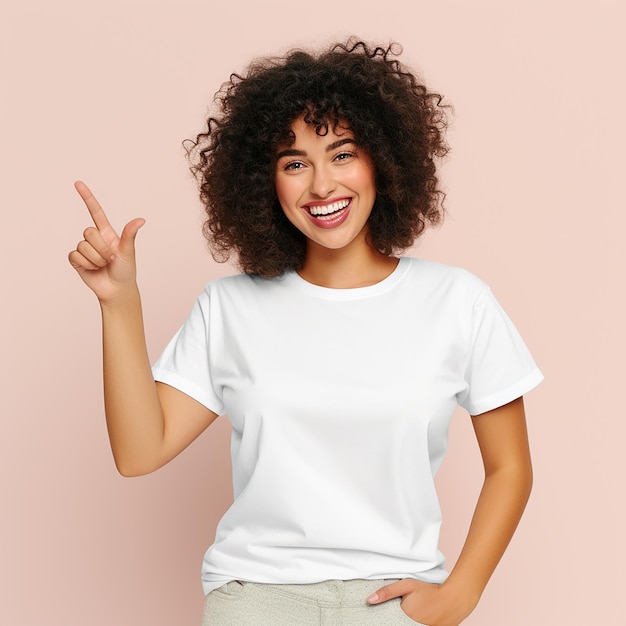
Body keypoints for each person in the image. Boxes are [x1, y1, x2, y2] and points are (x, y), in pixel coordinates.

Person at [68, 39, 543, 626]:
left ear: (385, 160)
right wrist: (119, 304)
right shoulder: (230, 307)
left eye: (342, 154)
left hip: (394, 602)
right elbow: (140, 453)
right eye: (295, 163)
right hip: (256, 600)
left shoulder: (457, 301)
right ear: (264, 182)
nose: (321, 185)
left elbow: (511, 467)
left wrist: (461, 593)